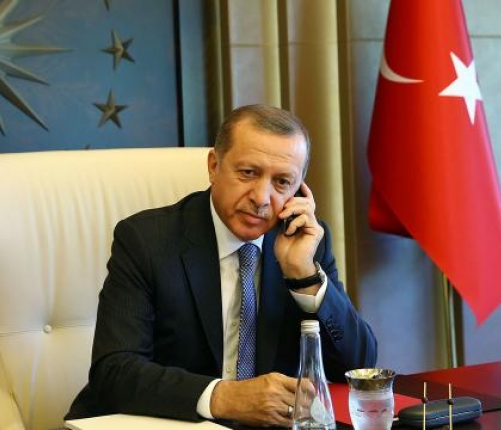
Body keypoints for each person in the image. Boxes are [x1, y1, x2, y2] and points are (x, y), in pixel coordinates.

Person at [65, 104, 377, 428]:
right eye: (248, 173)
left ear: (299, 190)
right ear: (214, 166)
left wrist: (304, 275)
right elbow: (114, 372)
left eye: (282, 182)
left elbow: (359, 367)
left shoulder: (306, 243)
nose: (261, 197)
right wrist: (224, 397)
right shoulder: (146, 240)